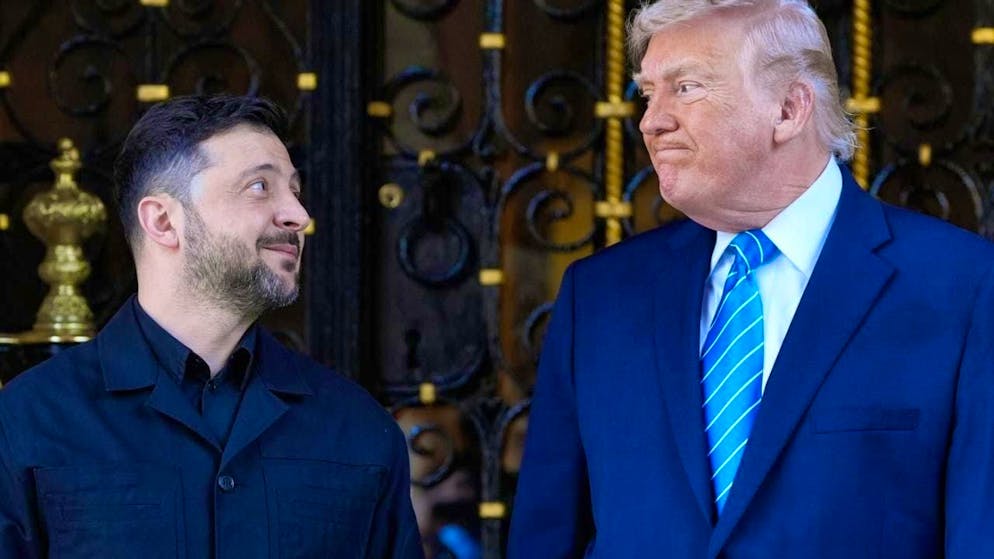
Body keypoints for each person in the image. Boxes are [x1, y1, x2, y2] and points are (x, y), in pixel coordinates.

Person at [508, 1, 994, 557]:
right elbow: (546, 538)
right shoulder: (598, 298)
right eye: (649, 93)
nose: (651, 120)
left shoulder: (964, 288)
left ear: (789, 109)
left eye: (685, 88)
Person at [0, 95, 424, 558]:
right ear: (163, 221)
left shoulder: (359, 429)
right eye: (260, 187)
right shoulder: (27, 423)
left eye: (294, 191)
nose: (298, 217)